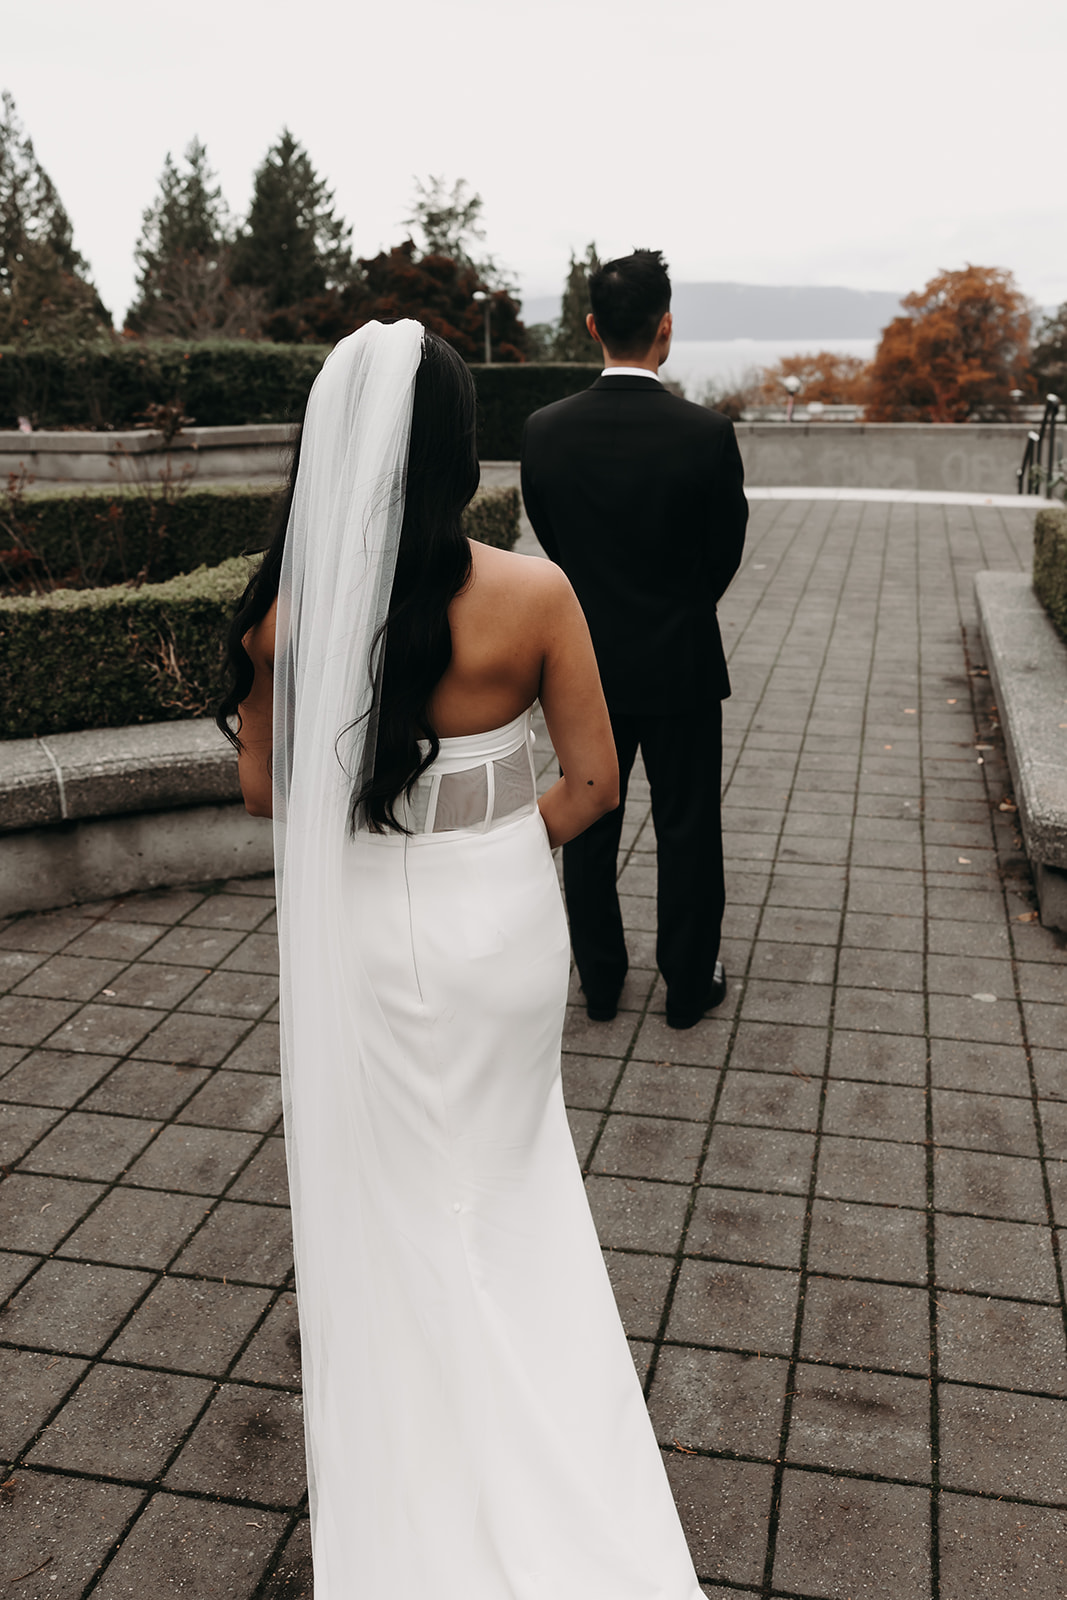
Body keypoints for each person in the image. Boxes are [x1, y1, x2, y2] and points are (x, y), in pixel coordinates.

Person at [217, 320, 707, 1600]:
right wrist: (489, 840)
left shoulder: (290, 610)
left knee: (392, 1190)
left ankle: (421, 1450)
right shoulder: (534, 597)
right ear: (458, 448)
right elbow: (593, 785)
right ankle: (545, 1417)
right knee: (507, 1169)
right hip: (498, 932)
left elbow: (266, 797)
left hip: (367, 929)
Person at [521, 249, 748, 1029]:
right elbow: (724, 551)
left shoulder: (544, 432)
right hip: (683, 661)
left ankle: (602, 983)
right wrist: (681, 608)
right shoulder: (706, 433)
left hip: (582, 665)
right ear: (666, 328)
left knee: (588, 822)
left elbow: (551, 541)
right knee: (689, 828)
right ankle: (687, 986)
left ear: (590, 326)